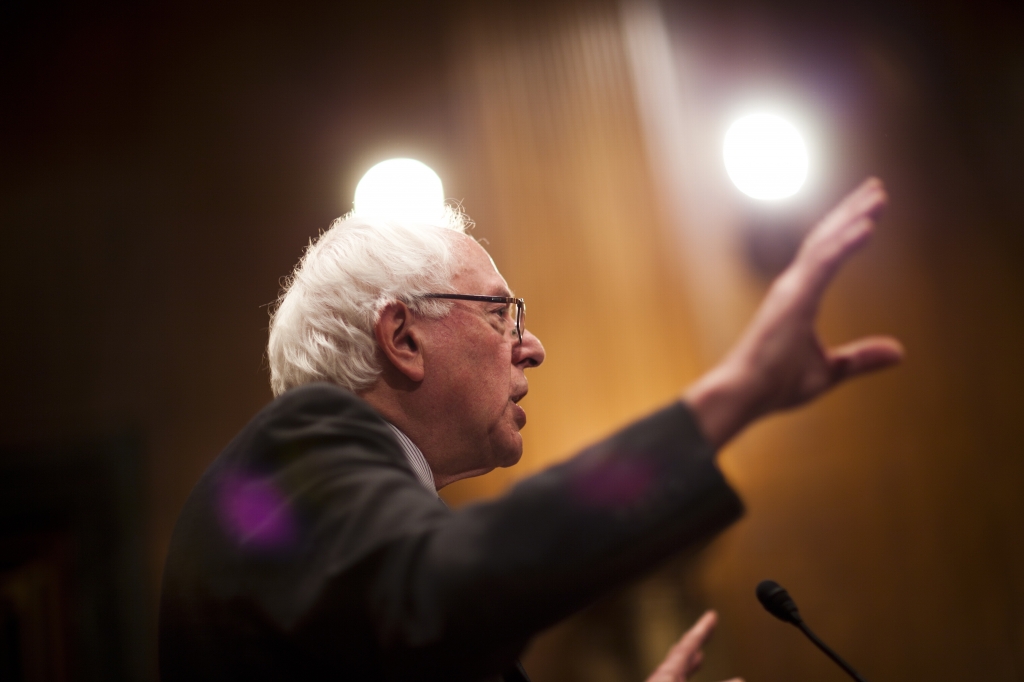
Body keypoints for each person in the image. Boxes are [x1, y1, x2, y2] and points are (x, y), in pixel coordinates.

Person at [158, 178, 902, 682]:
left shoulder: (361, 537)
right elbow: (452, 589)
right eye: (499, 313)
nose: (533, 346)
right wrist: (736, 392)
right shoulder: (298, 451)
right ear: (403, 338)